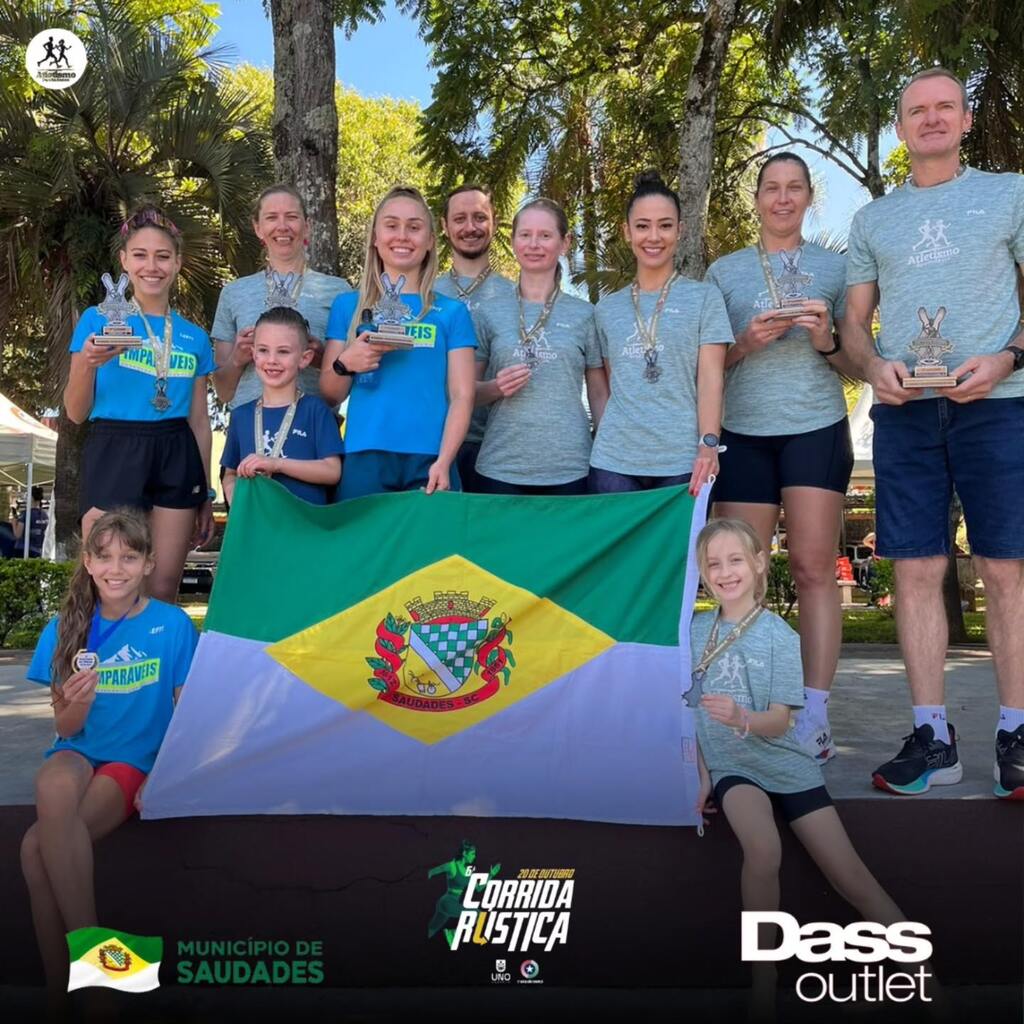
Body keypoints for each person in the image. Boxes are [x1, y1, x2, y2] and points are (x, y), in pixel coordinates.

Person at [841, 67, 1024, 798]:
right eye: (918, 110)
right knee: (915, 570)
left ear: (967, 118)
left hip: (1001, 402)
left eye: (945, 107)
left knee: (1007, 571)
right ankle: (933, 738)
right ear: (900, 128)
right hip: (906, 411)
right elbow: (855, 323)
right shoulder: (873, 220)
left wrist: (1009, 357)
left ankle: (1014, 733)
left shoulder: (1010, 193)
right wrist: (872, 365)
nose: (933, 119)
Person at [690, 519, 916, 1019]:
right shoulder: (693, 629)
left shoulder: (779, 635)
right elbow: (687, 712)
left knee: (852, 877)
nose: (725, 572)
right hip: (733, 764)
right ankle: (763, 981)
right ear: (702, 575)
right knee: (763, 848)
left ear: (756, 562)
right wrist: (701, 772)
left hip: (785, 760)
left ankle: (926, 979)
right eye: (713, 563)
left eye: (734, 560)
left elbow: (779, 720)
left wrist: (743, 716)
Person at [705, 153, 850, 764]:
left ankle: (812, 713)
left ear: (809, 198)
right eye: (771, 188)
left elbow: (853, 360)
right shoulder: (725, 272)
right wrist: (745, 341)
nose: (782, 198)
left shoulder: (834, 268)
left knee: (817, 569)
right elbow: (710, 363)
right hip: (743, 430)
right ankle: (747, 707)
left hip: (816, 427)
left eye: (794, 189)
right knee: (741, 582)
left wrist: (825, 339)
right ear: (756, 198)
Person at [20, 510, 198, 998]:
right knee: (52, 781)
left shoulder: (173, 624)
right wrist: (78, 702)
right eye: (104, 557)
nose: (115, 568)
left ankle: (66, 992)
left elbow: (185, 716)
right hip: (80, 751)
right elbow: (64, 728)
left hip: (134, 762)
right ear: (88, 563)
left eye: (128, 556)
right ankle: (103, 971)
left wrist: (168, 778)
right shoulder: (66, 628)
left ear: (147, 564)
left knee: (35, 851)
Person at [63, 205, 215, 601]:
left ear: (178, 262)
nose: (153, 266)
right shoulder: (98, 321)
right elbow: (76, 412)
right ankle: (99, 663)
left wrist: (204, 493)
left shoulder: (194, 337)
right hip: (115, 445)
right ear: (124, 261)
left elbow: (199, 420)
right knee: (109, 584)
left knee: (162, 586)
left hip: (175, 448)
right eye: (141, 255)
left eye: (163, 256)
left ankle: (154, 664)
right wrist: (87, 365)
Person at [321, 186, 477, 498]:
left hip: (431, 458)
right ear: (375, 238)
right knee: (365, 548)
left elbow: (462, 395)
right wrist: (346, 363)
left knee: (436, 550)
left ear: (431, 241)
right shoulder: (347, 306)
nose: (402, 236)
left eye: (415, 227)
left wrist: (445, 461)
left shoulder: (452, 312)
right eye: (391, 225)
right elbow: (329, 394)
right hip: (364, 455)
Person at [590, 171, 730, 496]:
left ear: (680, 230)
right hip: (614, 462)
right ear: (627, 232)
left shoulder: (704, 298)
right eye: (642, 226)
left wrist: (709, 444)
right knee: (621, 550)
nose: (654, 236)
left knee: (681, 550)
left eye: (665, 225)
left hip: (683, 462)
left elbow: (711, 378)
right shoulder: (606, 309)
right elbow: (611, 387)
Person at [473, 198, 609, 495]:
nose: (534, 244)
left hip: (570, 469)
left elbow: (599, 393)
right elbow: (464, 392)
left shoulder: (585, 315)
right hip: (500, 467)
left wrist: (606, 455)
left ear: (564, 243)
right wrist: (495, 387)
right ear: (513, 240)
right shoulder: (488, 311)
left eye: (545, 236)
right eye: (525, 235)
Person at [212, 183, 352, 409]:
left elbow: (347, 385)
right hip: (250, 433)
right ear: (258, 228)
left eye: (291, 217)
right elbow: (223, 392)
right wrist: (237, 359)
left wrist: (321, 360)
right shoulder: (233, 293)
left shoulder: (339, 292)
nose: (282, 226)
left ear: (307, 226)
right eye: (271, 218)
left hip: (315, 431)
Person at [435, 184, 516, 492]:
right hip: (432, 440)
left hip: (495, 448)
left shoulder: (516, 296)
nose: (470, 227)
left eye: (480, 218)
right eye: (459, 219)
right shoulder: (426, 293)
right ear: (444, 226)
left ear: (494, 222)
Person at [221, 307, 343, 505]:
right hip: (258, 525)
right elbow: (230, 473)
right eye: (263, 350)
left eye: (283, 351)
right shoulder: (241, 415)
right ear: (253, 355)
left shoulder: (316, 410)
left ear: (305, 358)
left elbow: (332, 471)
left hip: (304, 527)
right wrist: (234, 493)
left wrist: (277, 464)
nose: (272, 360)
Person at [12, 485, 48, 558]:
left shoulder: (26, 514)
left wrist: (13, 522)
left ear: (31, 498)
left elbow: (18, 534)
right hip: (38, 550)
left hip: (23, 550)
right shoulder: (45, 515)